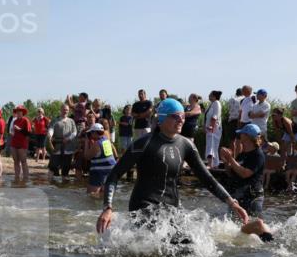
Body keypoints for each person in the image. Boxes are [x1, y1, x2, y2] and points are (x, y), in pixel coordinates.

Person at [97, 98, 250, 236]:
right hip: (144, 208)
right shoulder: (143, 144)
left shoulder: (186, 145)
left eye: (183, 116)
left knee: (189, 243)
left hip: (171, 209)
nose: (181, 120)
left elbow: (206, 178)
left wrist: (232, 203)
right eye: (176, 116)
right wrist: (107, 208)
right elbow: (114, 175)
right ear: (162, 118)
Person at [219, 123, 274, 241]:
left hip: (252, 196)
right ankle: (264, 238)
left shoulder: (258, 155)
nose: (240, 135)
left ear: (248, 136)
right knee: (240, 230)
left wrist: (231, 159)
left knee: (254, 225)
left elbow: (245, 173)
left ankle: (268, 240)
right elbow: (232, 173)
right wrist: (226, 161)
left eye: (242, 133)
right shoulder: (243, 154)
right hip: (239, 196)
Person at [83, 123, 116, 195]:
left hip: (99, 171)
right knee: (103, 195)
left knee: (91, 195)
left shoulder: (97, 144)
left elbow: (87, 156)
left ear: (95, 132)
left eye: (91, 132)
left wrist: (86, 142)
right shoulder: (106, 141)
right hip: (110, 170)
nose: (90, 135)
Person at [47, 104, 77, 178]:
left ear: (68, 111)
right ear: (60, 110)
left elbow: (74, 132)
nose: (65, 111)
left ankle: (64, 186)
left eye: (66, 110)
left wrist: (68, 138)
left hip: (68, 147)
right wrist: (50, 135)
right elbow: (51, 129)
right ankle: (52, 185)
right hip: (57, 146)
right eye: (63, 109)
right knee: (53, 167)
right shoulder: (55, 120)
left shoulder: (71, 121)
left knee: (66, 169)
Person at [9, 105, 30, 181]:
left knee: (23, 161)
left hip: (22, 143)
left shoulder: (25, 120)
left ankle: (25, 179)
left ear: (22, 112)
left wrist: (19, 129)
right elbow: (13, 131)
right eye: (17, 111)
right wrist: (12, 133)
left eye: (19, 111)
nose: (18, 112)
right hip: (14, 142)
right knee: (16, 161)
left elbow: (28, 133)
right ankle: (17, 177)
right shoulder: (14, 121)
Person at [203, 91, 222, 168]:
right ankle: (215, 164)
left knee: (211, 145)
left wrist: (211, 127)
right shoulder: (211, 104)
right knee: (211, 145)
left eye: (210, 95)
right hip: (209, 128)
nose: (208, 96)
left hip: (214, 128)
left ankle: (210, 164)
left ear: (214, 96)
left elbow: (215, 116)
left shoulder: (217, 103)